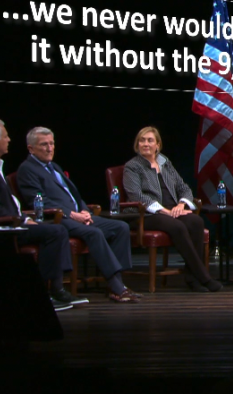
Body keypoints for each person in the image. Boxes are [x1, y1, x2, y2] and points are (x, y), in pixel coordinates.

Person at [16, 127, 140, 303]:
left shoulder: (54, 166)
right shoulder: (27, 169)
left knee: (121, 227)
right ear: (31, 148)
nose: (50, 148)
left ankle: (117, 283)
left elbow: (73, 195)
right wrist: (72, 215)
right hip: (57, 220)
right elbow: (39, 202)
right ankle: (117, 287)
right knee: (94, 233)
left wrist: (84, 211)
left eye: (52, 143)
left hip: (77, 214)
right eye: (44, 145)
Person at [123, 126, 222, 293]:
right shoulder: (132, 167)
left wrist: (181, 205)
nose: (145, 144)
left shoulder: (165, 162)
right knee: (177, 226)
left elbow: (183, 187)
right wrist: (166, 212)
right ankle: (204, 277)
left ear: (158, 145)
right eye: (142, 140)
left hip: (172, 210)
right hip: (145, 214)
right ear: (137, 144)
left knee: (196, 221)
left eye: (150, 140)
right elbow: (137, 196)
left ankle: (192, 278)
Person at [0, 120, 82, 311]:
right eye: (5, 136)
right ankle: (48, 292)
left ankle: (55, 289)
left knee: (56, 230)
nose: (9, 139)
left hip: (17, 222)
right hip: (6, 228)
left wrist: (25, 218)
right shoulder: (27, 169)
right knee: (56, 231)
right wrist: (20, 220)